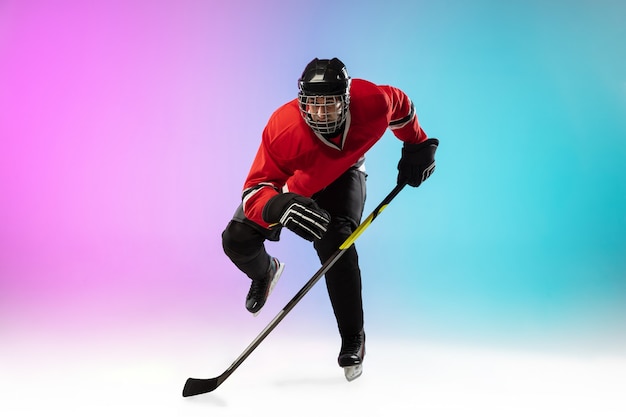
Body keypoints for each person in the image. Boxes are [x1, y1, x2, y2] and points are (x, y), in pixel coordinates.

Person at [221, 57, 439, 381]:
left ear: (347, 100)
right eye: (314, 105)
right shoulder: (282, 128)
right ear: (302, 103)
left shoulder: (373, 103)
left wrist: (417, 143)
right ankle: (266, 272)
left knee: (336, 244)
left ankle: (354, 338)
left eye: (331, 105)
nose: (321, 114)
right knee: (235, 239)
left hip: (345, 176)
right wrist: (279, 205)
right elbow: (254, 191)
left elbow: (401, 107)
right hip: (297, 186)